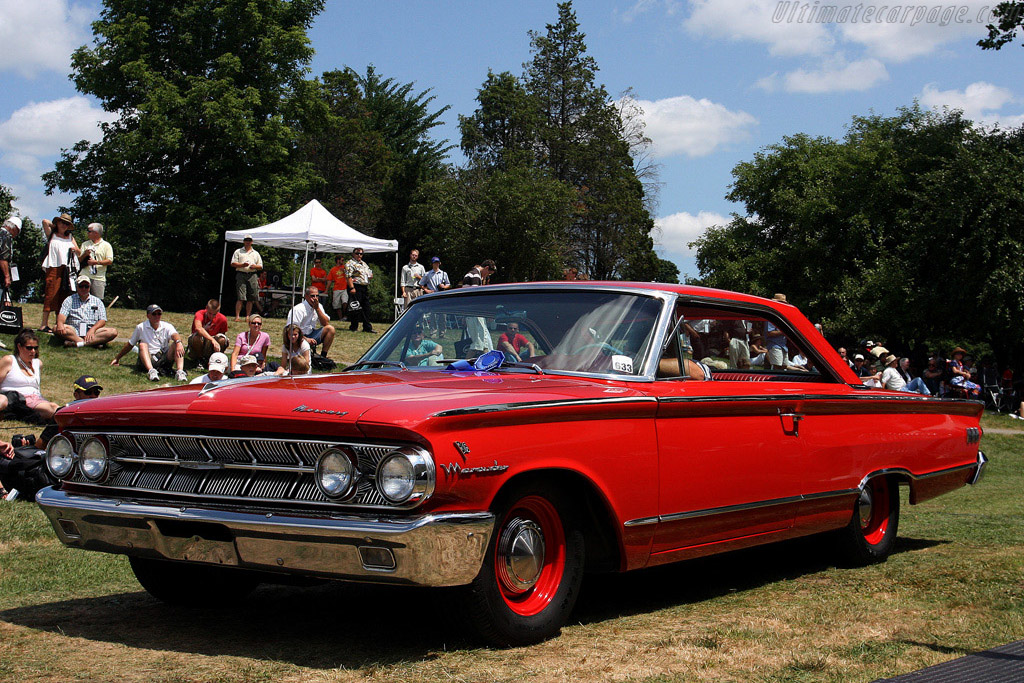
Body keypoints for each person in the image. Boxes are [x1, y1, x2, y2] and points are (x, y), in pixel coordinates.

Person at [110, 304, 187, 382]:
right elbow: (130, 344)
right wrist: (117, 358)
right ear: (148, 316)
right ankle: (151, 371)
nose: (157, 316)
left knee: (176, 344)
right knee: (142, 345)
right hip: (149, 358)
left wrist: (178, 343)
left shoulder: (167, 326)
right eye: (154, 314)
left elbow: (175, 335)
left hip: (163, 357)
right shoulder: (141, 327)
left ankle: (180, 372)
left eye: (159, 314)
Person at [0, 329, 60, 422]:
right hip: (11, 397)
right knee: (1, 401)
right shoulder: (9, 360)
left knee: (53, 408)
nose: (33, 351)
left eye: (35, 348)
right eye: (29, 348)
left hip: (33, 399)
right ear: (19, 346)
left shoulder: (38, 363)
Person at [39, 213, 80, 333]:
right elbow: (44, 221)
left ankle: (59, 323)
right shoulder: (52, 234)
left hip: (67, 269)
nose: (64, 225)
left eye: (67, 224)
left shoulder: (70, 237)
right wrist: (56, 225)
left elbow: (78, 251)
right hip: (53, 266)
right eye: (62, 222)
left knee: (64, 295)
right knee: (50, 294)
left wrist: (74, 249)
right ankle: (44, 324)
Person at [54, 276, 119, 348]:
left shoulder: (97, 301)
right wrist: (60, 324)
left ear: (90, 287)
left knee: (113, 332)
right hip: (74, 330)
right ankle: (92, 343)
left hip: (92, 330)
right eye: (81, 286)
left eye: (86, 286)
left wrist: (92, 330)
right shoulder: (69, 300)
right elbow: (62, 315)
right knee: (56, 328)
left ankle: (76, 344)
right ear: (77, 287)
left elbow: (102, 320)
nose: (84, 289)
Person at [287, 286, 336, 356]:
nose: (315, 298)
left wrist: (317, 309)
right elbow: (292, 329)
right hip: (298, 336)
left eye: (317, 296)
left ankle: (323, 356)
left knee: (330, 329)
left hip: (311, 333)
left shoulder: (318, 306)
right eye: (312, 296)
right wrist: (305, 339)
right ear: (306, 296)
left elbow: (325, 323)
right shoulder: (298, 309)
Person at [462, 259, 497, 353]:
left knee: (483, 342)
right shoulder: (475, 276)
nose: (487, 276)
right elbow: (475, 298)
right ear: (486, 268)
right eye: (488, 274)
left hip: (472, 313)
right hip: (474, 312)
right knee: (478, 343)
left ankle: (488, 362)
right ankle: (464, 364)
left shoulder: (472, 274)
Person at [230, 235, 263, 321]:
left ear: (252, 242)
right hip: (241, 274)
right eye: (246, 240)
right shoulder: (238, 251)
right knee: (240, 297)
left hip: (252, 275)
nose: (248, 242)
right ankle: (237, 316)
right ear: (244, 241)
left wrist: (254, 266)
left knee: (251, 297)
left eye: (249, 240)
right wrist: (242, 265)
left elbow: (260, 266)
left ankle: (248, 316)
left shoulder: (256, 253)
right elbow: (233, 263)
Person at [187, 299, 229, 364]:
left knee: (222, 340)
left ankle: (215, 359)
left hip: (211, 343)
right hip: (200, 340)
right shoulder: (200, 314)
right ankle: (199, 359)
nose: (211, 316)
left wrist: (216, 342)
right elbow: (198, 328)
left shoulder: (223, 319)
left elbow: (223, 333)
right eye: (209, 313)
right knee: (197, 338)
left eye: (214, 314)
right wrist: (212, 340)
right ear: (206, 308)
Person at [79, 223, 113, 300]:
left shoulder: (106, 245)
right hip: (84, 275)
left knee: (97, 301)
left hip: (98, 278)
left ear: (96, 233)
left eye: (89, 231)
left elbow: (110, 261)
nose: (87, 233)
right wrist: (85, 254)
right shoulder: (85, 244)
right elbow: (79, 260)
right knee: (80, 300)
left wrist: (96, 262)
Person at [420, 256, 450, 336]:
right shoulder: (427, 274)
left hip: (442, 296)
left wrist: (444, 287)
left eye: (437, 262)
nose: (436, 264)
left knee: (443, 316)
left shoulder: (444, 273)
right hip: (433, 296)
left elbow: (448, 284)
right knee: (433, 315)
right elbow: (421, 283)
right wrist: (426, 290)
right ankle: (433, 332)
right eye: (434, 263)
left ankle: (442, 333)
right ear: (432, 264)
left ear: (439, 263)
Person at [345, 248, 374, 333]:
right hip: (355, 286)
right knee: (355, 307)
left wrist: (370, 276)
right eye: (357, 253)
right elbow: (348, 276)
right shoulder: (350, 263)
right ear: (353, 254)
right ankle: (354, 326)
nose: (359, 255)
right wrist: (351, 288)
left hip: (364, 287)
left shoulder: (363, 263)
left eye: (361, 254)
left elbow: (368, 273)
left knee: (366, 307)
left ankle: (367, 327)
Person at [0, 216, 21, 305]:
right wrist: (7, 276)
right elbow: (3, 258)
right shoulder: (5, 235)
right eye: (17, 232)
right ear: (14, 228)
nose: (16, 235)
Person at [326, 254, 348, 320]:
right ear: (338, 261)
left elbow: (350, 275)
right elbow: (329, 280)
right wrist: (326, 290)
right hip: (336, 289)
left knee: (345, 302)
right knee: (336, 305)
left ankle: (345, 316)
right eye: (342, 260)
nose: (343, 261)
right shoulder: (333, 269)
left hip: (344, 288)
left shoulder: (345, 267)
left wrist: (344, 271)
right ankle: (340, 318)